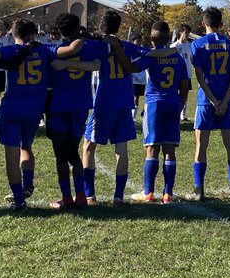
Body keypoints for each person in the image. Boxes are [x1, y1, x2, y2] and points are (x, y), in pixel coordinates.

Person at [0, 20, 96, 210]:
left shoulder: (11, 50)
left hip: (28, 107)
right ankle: (74, 194)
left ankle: (24, 199)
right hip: (48, 108)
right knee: (33, 147)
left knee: (16, 153)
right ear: (33, 34)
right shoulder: (46, 50)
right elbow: (76, 53)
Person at [81, 11, 151, 206]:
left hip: (103, 103)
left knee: (88, 147)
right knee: (121, 148)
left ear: (102, 26)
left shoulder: (97, 46)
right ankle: (118, 197)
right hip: (125, 103)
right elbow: (148, 54)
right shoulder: (127, 46)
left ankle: (89, 195)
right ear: (118, 27)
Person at [45, 12, 104, 210]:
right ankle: (80, 196)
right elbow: (96, 64)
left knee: (62, 156)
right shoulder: (89, 47)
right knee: (74, 153)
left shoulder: (53, 50)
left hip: (59, 106)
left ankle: (67, 198)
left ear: (58, 30)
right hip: (80, 105)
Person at [133, 21, 190, 203]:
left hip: (154, 104)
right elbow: (185, 88)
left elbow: (132, 68)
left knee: (152, 148)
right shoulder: (179, 58)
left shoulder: (151, 56)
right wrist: (179, 106)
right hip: (173, 103)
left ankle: (148, 192)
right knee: (169, 150)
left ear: (152, 38)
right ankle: (168, 194)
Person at [190, 6, 230, 200]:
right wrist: (225, 101)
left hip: (206, 102)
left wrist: (213, 101)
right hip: (226, 103)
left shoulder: (198, 44)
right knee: (229, 144)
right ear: (221, 24)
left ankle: (199, 189)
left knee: (201, 146)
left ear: (203, 24)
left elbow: (200, 78)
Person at [175, 24, 196, 122]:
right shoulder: (174, 46)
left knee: (185, 94)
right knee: (175, 94)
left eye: (188, 33)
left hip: (187, 74)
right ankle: (175, 113)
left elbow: (192, 60)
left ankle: (182, 115)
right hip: (176, 75)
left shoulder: (190, 46)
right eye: (186, 32)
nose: (187, 35)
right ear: (181, 32)